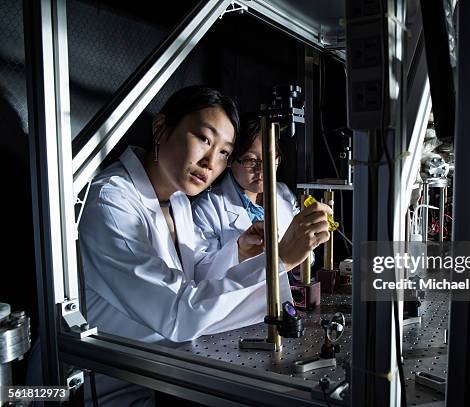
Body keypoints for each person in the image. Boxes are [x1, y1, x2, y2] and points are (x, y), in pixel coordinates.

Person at [27, 86, 332, 407]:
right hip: (86, 387)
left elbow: (196, 280)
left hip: (149, 374)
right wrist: (279, 260)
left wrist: (239, 251)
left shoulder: (177, 201)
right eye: (203, 138)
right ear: (161, 129)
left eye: (225, 152)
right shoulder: (110, 202)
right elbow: (177, 313)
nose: (210, 162)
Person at [191, 116, 312, 284]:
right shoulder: (208, 207)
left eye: (271, 159)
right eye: (251, 160)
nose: (262, 170)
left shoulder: (283, 192)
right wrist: (239, 252)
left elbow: (304, 254)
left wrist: (301, 263)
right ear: (230, 159)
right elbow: (202, 276)